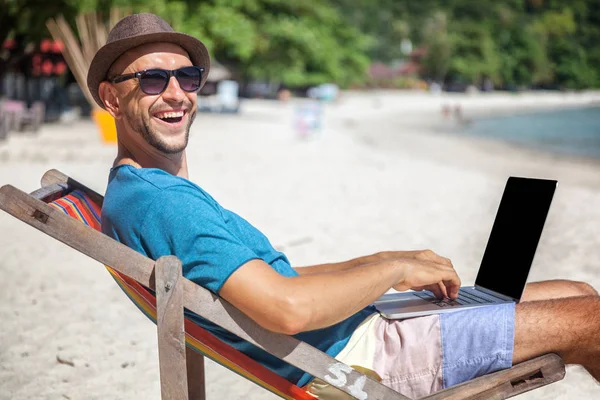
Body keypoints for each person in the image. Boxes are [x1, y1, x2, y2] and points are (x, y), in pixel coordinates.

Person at [90, 13, 600, 399]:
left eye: (188, 76)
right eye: (153, 80)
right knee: (593, 318)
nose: (176, 93)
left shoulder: (145, 191)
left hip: (366, 324)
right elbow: (287, 308)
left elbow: (279, 279)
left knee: (577, 291)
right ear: (112, 100)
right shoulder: (162, 205)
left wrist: (384, 264)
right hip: (364, 357)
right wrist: (395, 268)